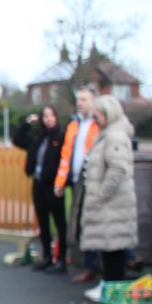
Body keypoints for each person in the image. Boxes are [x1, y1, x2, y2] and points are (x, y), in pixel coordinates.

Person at [79, 94, 137, 284]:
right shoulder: (108, 135)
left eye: (97, 117)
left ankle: (112, 293)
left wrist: (101, 196)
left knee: (114, 252)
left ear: (108, 115)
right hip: (110, 207)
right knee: (110, 251)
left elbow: (118, 169)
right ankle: (109, 289)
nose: (94, 121)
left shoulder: (115, 137)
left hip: (112, 207)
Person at [53, 86, 102, 283]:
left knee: (93, 222)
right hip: (76, 181)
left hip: (93, 180)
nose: (80, 102)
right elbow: (66, 155)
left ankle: (96, 264)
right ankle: (88, 263)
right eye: (78, 99)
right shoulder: (74, 125)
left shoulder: (98, 124)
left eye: (84, 99)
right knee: (80, 221)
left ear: (94, 102)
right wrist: (60, 181)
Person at [12, 105, 68, 273]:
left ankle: (62, 260)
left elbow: (65, 160)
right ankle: (47, 257)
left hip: (54, 185)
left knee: (59, 223)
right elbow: (17, 139)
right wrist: (28, 123)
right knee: (43, 221)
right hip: (38, 184)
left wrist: (62, 182)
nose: (48, 119)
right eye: (45, 116)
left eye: (51, 115)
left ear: (56, 118)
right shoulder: (37, 138)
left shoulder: (61, 137)